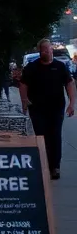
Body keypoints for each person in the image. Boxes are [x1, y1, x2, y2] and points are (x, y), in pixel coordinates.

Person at [18, 38, 77, 179]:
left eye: (47, 48)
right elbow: (23, 85)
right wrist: (24, 101)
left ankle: (54, 166)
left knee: (55, 136)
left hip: (56, 108)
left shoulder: (60, 67)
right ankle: (42, 164)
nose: (45, 51)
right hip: (37, 108)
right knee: (41, 136)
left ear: (52, 49)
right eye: (42, 49)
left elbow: (69, 84)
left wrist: (71, 103)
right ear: (39, 51)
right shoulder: (31, 68)